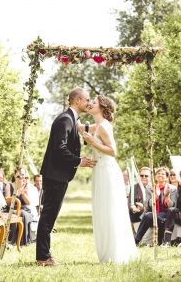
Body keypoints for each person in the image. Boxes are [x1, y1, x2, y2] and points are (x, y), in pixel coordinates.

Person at [36, 87, 96, 266]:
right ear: (77, 100)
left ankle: (44, 254)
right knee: (48, 215)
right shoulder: (65, 119)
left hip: (58, 175)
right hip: (55, 176)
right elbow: (59, 148)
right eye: (86, 99)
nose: (89, 102)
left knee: (50, 215)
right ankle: (43, 257)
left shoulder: (71, 119)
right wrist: (79, 161)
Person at [81, 94, 138, 264]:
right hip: (100, 170)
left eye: (94, 102)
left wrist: (92, 142)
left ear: (102, 108)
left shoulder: (104, 127)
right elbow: (80, 128)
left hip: (108, 170)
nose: (91, 104)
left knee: (110, 210)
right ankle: (107, 252)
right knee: (102, 210)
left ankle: (116, 253)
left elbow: (113, 151)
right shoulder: (96, 125)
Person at [135, 167, 177, 246]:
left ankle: (161, 242)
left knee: (161, 217)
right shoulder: (150, 187)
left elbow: (172, 206)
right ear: (155, 176)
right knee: (147, 215)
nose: (160, 175)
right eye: (158, 173)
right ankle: (136, 240)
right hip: (154, 214)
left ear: (167, 177)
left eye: (163, 174)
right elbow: (146, 205)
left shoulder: (172, 189)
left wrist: (167, 196)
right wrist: (155, 197)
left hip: (167, 217)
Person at [163, 169, 181, 245]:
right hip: (171, 213)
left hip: (177, 214)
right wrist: (167, 196)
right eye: (171, 174)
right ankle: (167, 241)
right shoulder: (167, 188)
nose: (172, 176)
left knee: (172, 211)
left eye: (174, 174)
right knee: (171, 211)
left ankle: (168, 241)